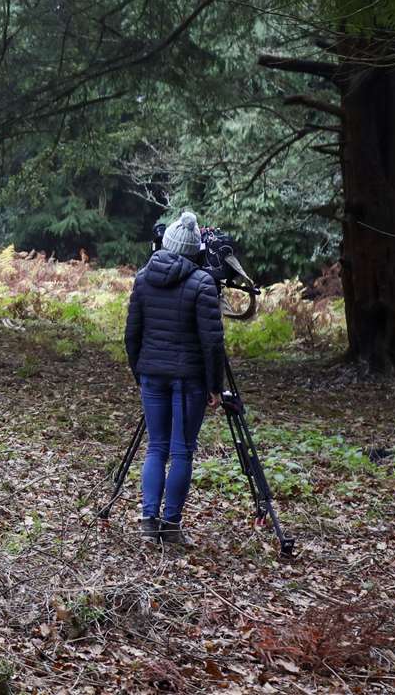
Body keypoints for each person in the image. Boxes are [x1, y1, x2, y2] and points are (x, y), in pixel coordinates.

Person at [124, 211, 227, 546]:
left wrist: (139, 371)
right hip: (188, 381)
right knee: (181, 452)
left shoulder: (143, 278)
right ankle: (170, 525)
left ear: (166, 244)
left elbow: (132, 334)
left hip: (152, 374)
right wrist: (215, 385)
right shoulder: (202, 283)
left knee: (156, 447)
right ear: (195, 250)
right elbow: (212, 341)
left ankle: (148, 521)